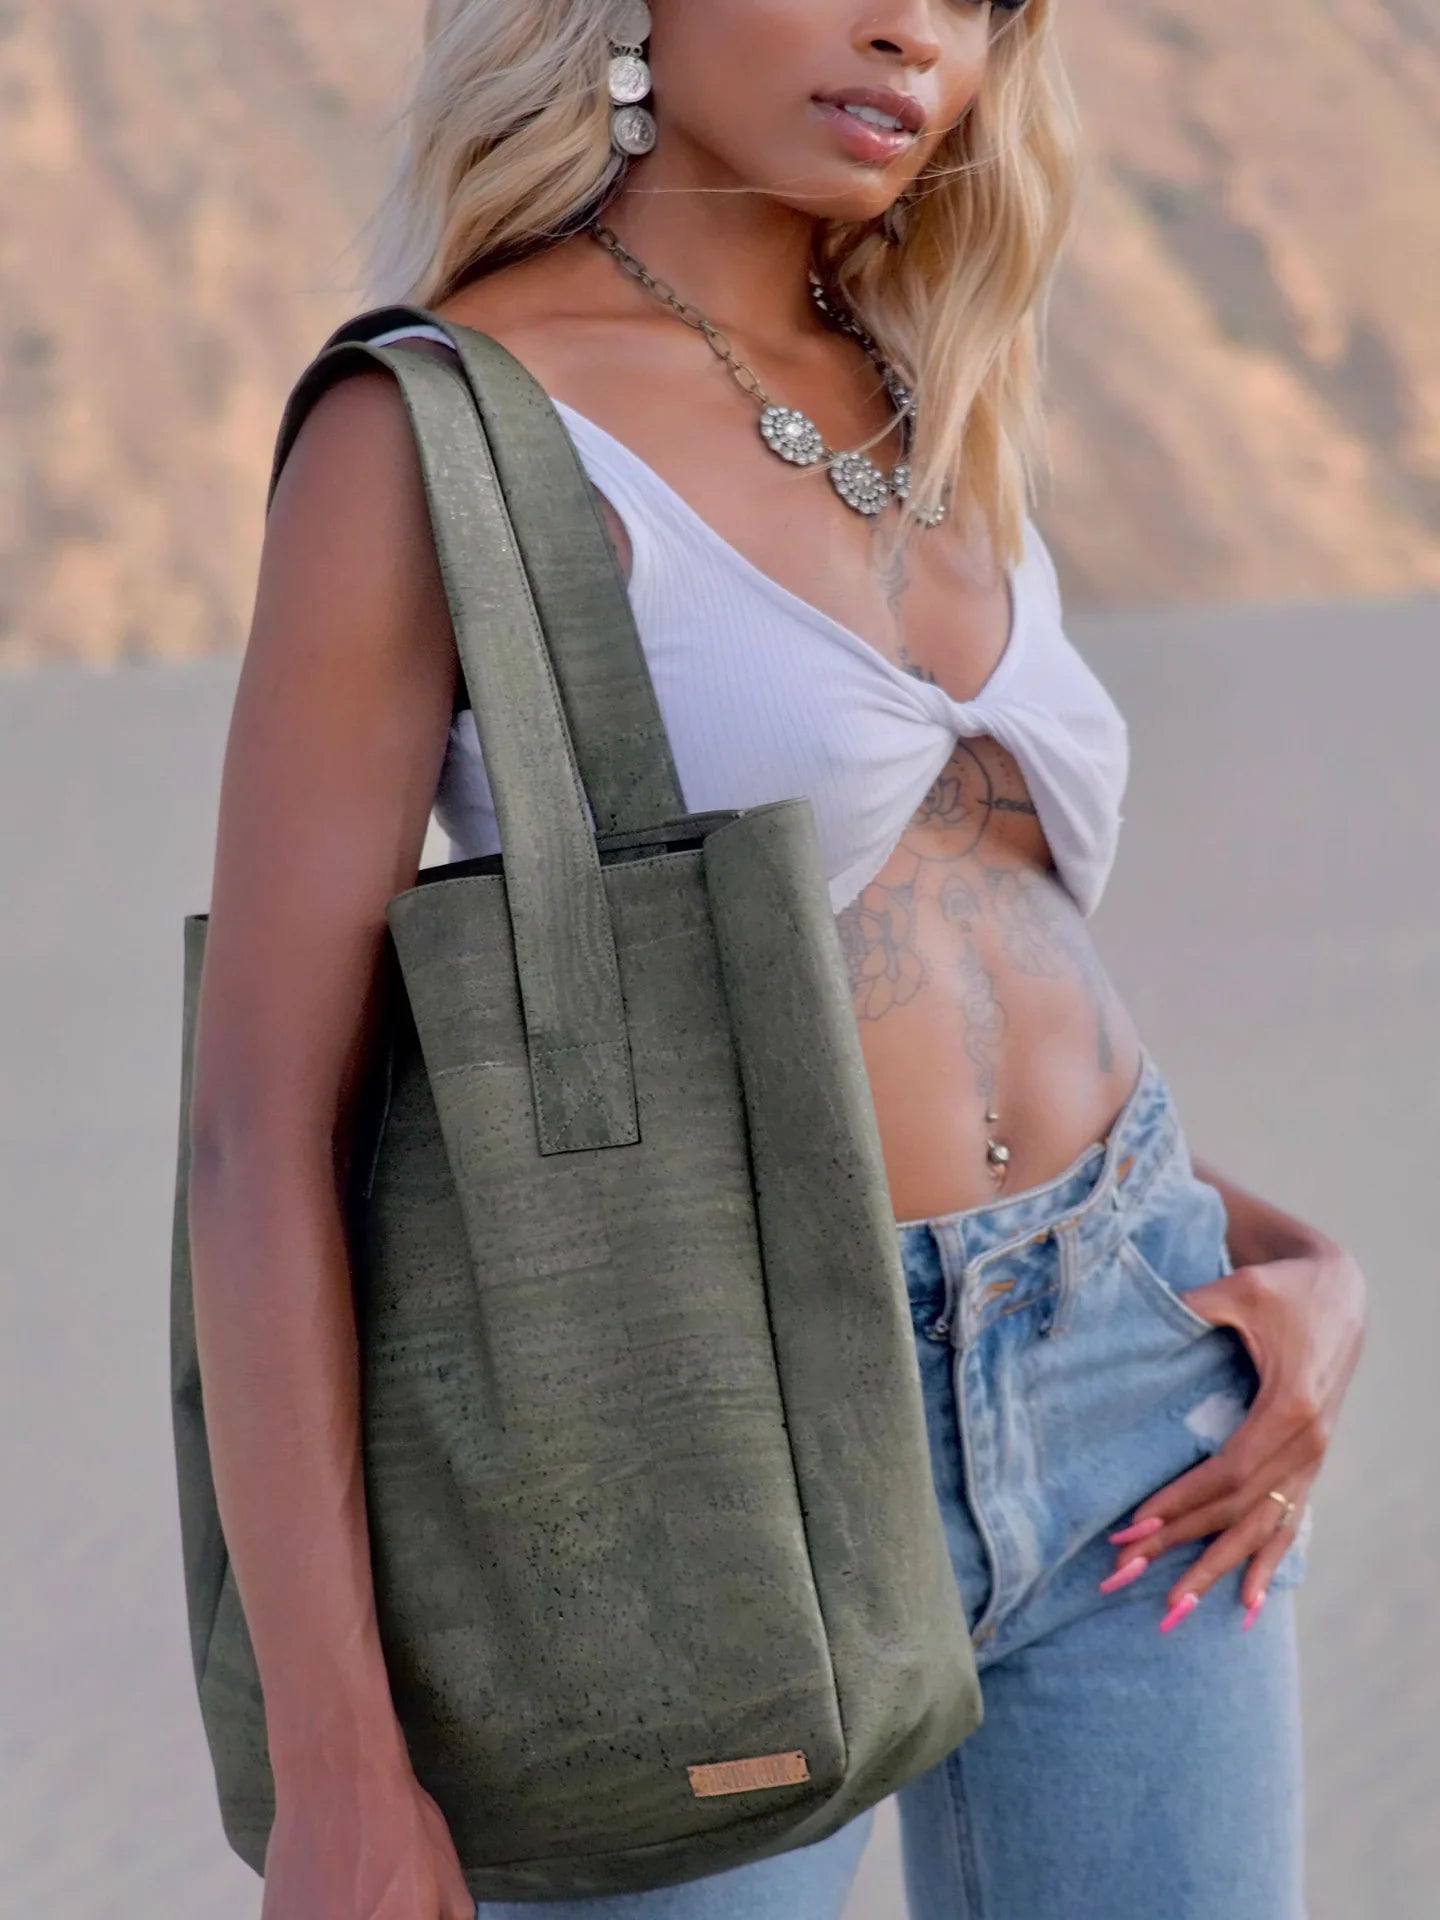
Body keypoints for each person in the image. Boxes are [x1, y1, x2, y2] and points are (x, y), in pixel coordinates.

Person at [185, 4, 1367, 1917]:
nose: (914, 31)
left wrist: (1288, 1257)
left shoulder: (932, 379)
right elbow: (258, 1129)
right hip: (699, 1453)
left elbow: (977, 937)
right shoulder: (442, 427)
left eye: (975, 2)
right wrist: (337, 1764)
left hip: (1133, 1386)